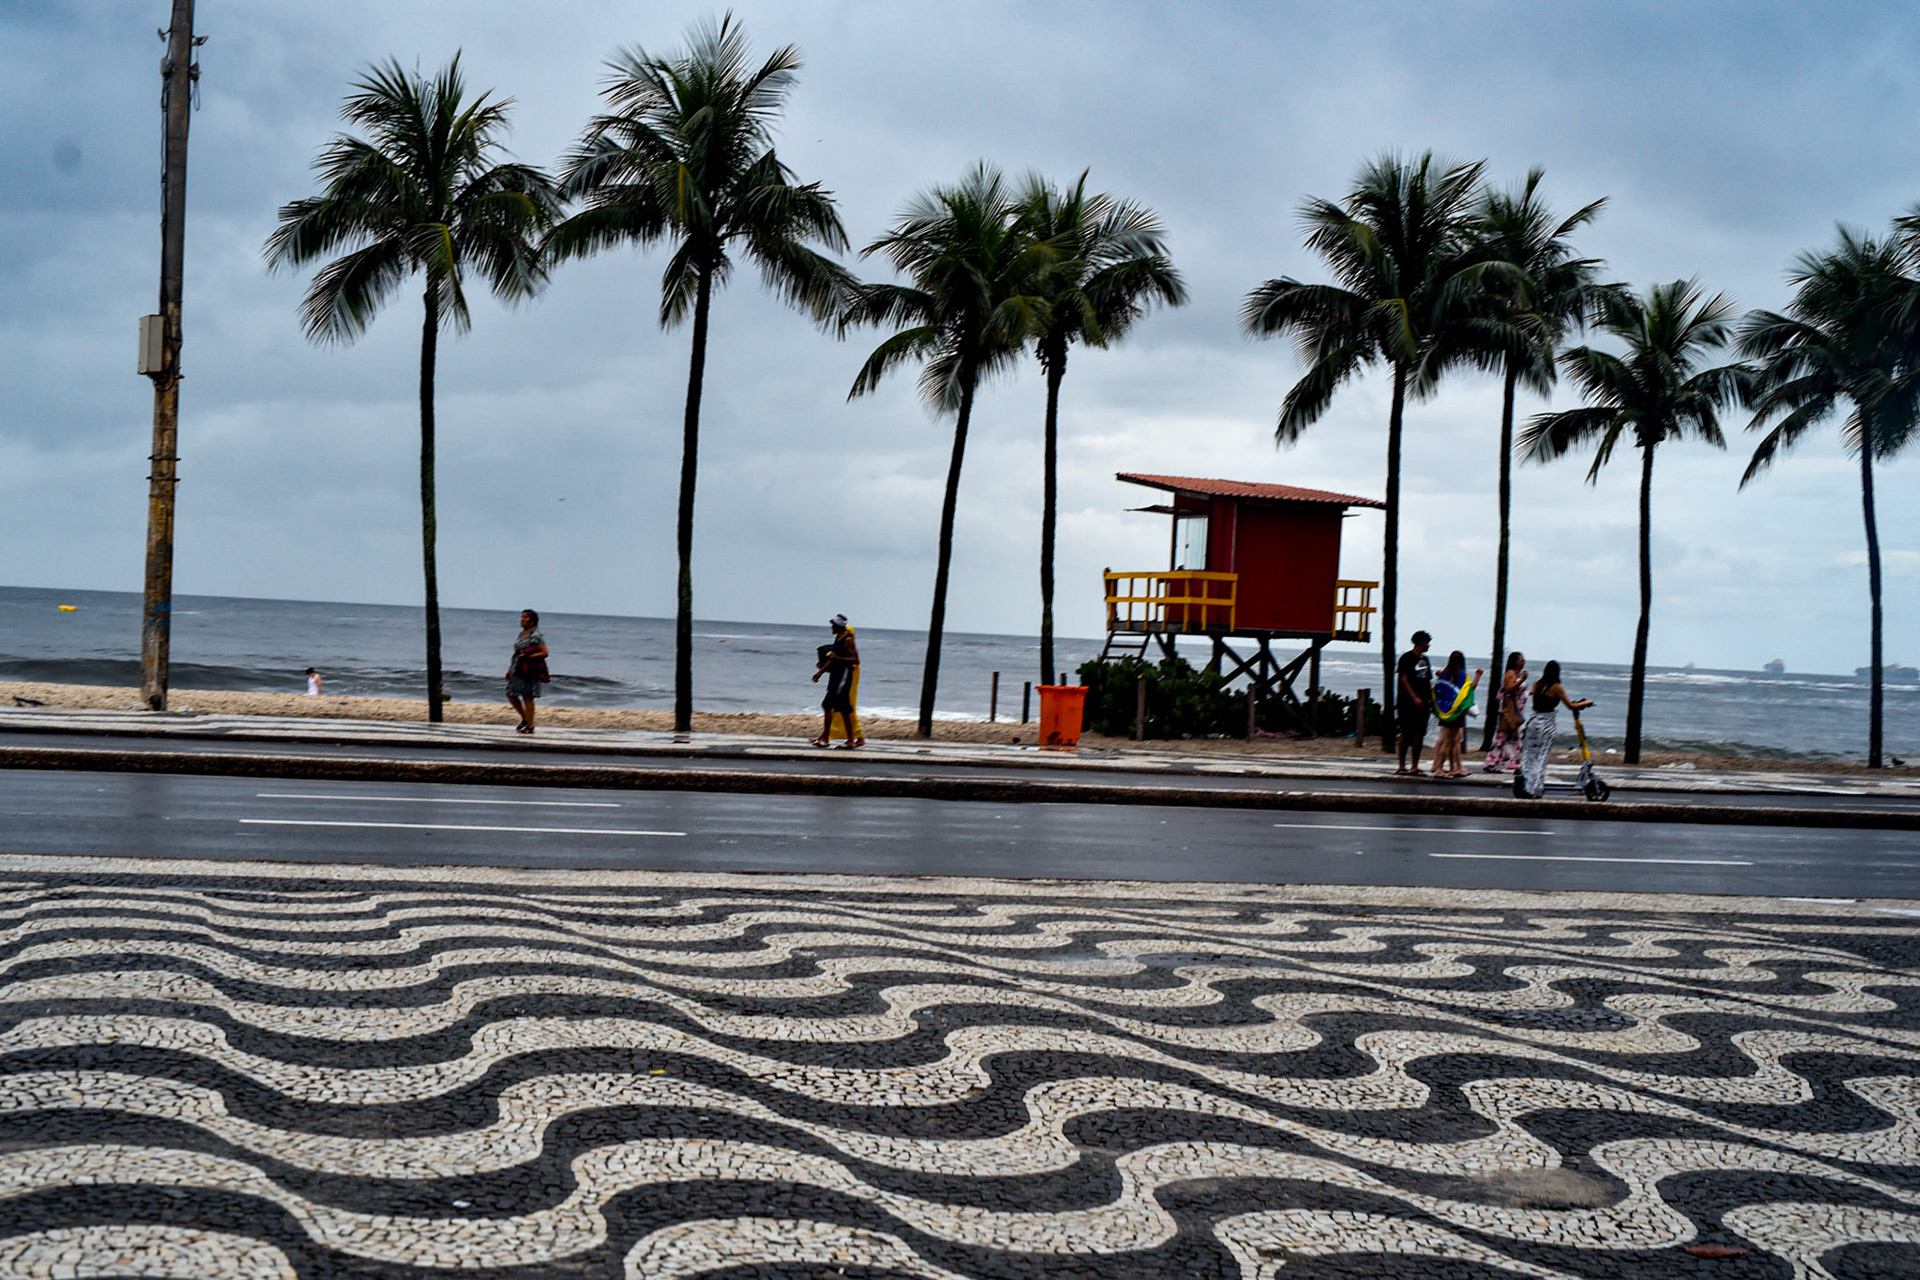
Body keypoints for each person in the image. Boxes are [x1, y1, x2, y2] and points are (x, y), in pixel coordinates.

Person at [1515, 660, 1593, 798]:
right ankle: (1534, 790)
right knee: (1542, 757)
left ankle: (1524, 785)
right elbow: (1570, 706)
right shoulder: (1557, 687)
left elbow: (1533, 696)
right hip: (1547, 723)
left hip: (1533, 721)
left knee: (1529, 756)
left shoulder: (1537, 683)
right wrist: (1586, 703)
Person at [810, 614, 862, 748]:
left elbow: (855, 660)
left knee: (828, 704)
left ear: (838, 627)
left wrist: (838, 658)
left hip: (843, 677)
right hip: (835, 676)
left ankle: (827, 738)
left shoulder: (848, 640)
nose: (831, 628)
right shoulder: (838, 638)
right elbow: (832, 658)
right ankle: (849, 740)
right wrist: (820, 673)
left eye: (833, 626)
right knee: (843, 708)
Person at [1429, 650, 1483, 779]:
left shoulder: (1445, 674)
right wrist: (1478, 676)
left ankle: (1453, 768)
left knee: (1451, 741)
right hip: (1456, 712)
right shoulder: (1462, 674)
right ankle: (1439, 769)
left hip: (1445, 711)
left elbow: (1440, 690)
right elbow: (1469, 690)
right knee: (1449, 742)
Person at [1394, 630, 1434, 776]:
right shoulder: (1406, 658)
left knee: (1419, 732)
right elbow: (1403, 679)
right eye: (1427, 642)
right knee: (1406, 732)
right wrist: (1414, 697)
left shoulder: (1425, 660)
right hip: (1407, 701)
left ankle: (1415, 765)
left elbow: (1427, 679)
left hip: (1423, 701)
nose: (1428, 645)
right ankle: (1401, 765)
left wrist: (1430, 698)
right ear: (1421, 642)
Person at [1483, 652, 1528, 773]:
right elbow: (1509, 688)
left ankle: (1510, 762)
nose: (1524, 662)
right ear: (1515, 662)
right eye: (1521, 660)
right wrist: (1522, 680)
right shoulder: (1510, 674)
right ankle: (1493, 762)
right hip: (1511, 710)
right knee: (1503, 736)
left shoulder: (1517, 674)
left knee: (1514, 737)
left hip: (1518, 710)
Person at [505, 609, 549, 735]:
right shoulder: (521, 634)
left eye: (525, 617)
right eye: (522, 617)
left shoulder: (536, 635)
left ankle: (530, 726)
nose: (522, 619)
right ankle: (525, 718)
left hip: (529, 668)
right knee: (510, 693)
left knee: (527, 696)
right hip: (517, 667)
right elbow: (516, 653)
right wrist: (510, 669)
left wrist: (529, 656)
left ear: (532, 621)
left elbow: (544, 652)